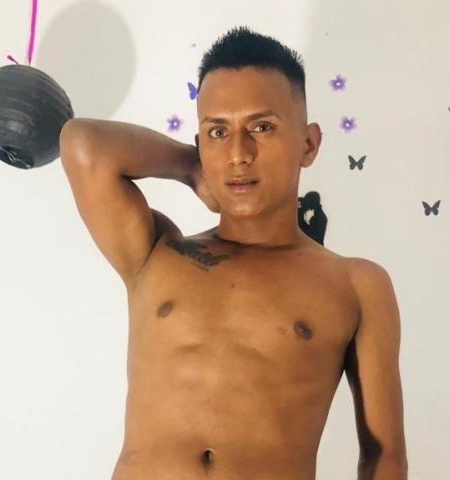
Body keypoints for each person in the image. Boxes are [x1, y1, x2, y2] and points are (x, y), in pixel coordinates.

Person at [59, 25, 407, 480]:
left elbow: (383, 457)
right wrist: (190, 167)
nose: (239, 154)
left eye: (261, 127)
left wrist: (206, 154)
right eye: (218, 132)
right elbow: (82, 144)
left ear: (308, 144)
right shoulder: (157, 254)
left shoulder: (356, 285)